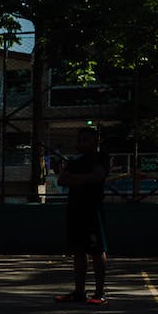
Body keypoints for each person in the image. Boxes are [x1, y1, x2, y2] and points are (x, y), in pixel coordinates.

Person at [54, 127, 109, 304]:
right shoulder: (73, 161)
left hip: (91, 210)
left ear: (96, 141)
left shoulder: (101, 158)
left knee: (96, 250)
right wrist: (82, 178)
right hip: (75, 210)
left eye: (85, 140)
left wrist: (76, 179)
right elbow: (62, 180)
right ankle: (79, 292)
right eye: (79, 140)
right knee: (78, 250)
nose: (81, 143)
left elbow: (97, 177)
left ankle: (99, 293)